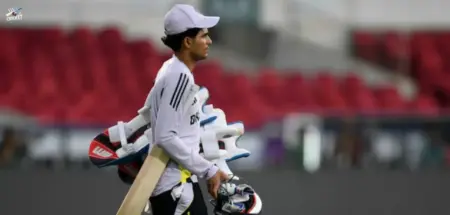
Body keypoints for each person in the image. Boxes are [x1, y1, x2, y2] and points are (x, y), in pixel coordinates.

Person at [145, 4, 229, 215]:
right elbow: (165, 136)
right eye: (204, 36)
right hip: (175, 190)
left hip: (177, 187)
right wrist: (209, 170)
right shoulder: (178, 76)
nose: (209, 41)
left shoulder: (170, 69)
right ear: (188, 41)